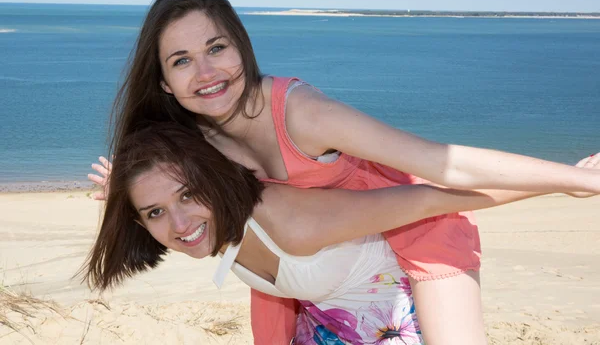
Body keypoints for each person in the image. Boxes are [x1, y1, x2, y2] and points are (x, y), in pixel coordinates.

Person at [89, 0, 600, 344]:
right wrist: (125, 189)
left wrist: (573, 180)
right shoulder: (193, 139)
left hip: (419, 222)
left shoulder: (302, 115)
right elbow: (158, 183)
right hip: (323, 258)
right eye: (181, 61)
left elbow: (438, 166)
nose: (205, 72)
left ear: (241, 48)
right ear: (163, 83)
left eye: (216, 48)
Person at [84, 123, 592, 344]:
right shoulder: (207, 225)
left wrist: (565, 183)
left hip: (400, 318)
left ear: (211, 181)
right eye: (154, 214)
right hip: (331, 327)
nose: (178, 224)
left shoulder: (295, 220)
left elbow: (437, 195)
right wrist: (134, 191)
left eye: (188, 195)